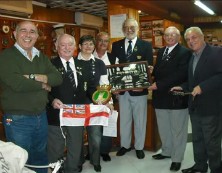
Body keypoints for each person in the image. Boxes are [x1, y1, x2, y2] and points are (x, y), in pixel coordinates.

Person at [0, 21, 62, 173]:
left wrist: (34, 77)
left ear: (36, 36)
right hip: (17, 119)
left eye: (32, 32)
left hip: (41, 116)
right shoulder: (6, 56)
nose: (28, 35)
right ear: (15, 34)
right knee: (19, 161)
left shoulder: (40, 56)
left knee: (40, 157)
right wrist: (43, 84)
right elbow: (17, 83)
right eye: (23, 31)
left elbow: (57, 77)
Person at [171, 27, 222, 173]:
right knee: (198, 139)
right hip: (195, 106)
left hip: (211, 106)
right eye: (188, 39)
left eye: (194, 37)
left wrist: (202, 87)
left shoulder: (217, 52)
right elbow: (192, 82)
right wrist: (182, 87)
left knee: (211, 141)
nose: (191, 41)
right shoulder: (192, 56)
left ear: (202, 37)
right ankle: (200, 165)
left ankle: (216, 167)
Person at [47, 33, 93, 173]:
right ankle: (56, 170)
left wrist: (100, 98)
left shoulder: (82, 65)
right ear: (56, 47)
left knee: (75, 146)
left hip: (76, 114)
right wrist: (52, 100)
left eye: (70, 44)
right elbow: (42, 89)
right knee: (56, 148)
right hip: (56, 114)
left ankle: (72, 169)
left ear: (75, 47)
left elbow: (89, 88)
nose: (67, 47)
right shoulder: (49, 65)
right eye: (63, 44)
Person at [148, 26, 192, 171]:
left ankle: (177, 158)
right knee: (164, 128)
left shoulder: (185, 52)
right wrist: (151, 71)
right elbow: (160, 71)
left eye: (173, 35)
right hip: (160, 97)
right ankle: (166, 151)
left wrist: (158, 84)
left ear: (179, 37)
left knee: (178, 130)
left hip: (176, 97)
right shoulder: (161, 51)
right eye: (167, 35)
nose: (169, 37)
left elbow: (180, 74)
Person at [111, 18, 153, 159]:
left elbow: (149, 68)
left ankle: (139, 147)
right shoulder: (116, 45)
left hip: (139, 91)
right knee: (124, 120)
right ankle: (125, 145)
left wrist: (142, 85)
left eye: (132, 27)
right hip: (122, 91)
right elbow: (114, 69)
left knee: (140, 120)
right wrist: (115, 87)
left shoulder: (146, 45)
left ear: (138, 28)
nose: (129, 30)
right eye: (126, 27)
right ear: (123, 29)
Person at [78, 35, 111, 172]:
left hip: (95, 105)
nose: (88, 46)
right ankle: (78, 162)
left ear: (94, 46)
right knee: (77, 137)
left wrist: (109, 102)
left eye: (90, 44)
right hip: (78, 105)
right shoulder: (73, 62)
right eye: (85, 44)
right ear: (79, 47)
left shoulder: (99, 63)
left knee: (96, 136)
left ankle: (95, 160)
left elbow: (105, 84)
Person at [93, 31, 116, 162]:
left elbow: (117, 78)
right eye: (100, 40)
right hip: (92, 97)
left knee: (107, 125)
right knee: (94, 127)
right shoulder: (88, 56)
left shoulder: (113, 58)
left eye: (106, 41)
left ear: (109, 43)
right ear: (96, 41)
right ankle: (93, 152)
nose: (103, 43)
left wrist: (116, 90)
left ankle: (105, 151)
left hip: (109, 97)